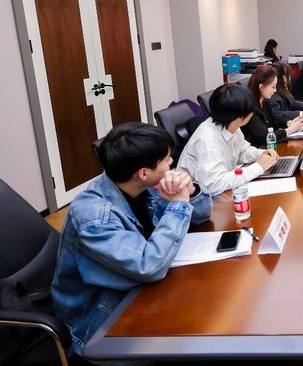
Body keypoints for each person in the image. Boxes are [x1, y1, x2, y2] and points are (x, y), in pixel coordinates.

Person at [51, 122, 212, 357]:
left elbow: (202, 215)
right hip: (102, 322)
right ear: (144, 173)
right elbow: (148, 265)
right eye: (167, 159)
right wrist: (178, 205)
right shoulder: (94, 216)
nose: (172, 162)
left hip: (141, 293)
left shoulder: (139, 184)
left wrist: (191, 190)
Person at [177, 84, 279, 196]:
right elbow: (214, 185)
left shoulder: (230, 124)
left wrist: (261, 154)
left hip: (223, 190)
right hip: (199, 199)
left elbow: (242, 151)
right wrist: (258, 167)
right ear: (239, 118)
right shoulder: (208, 141)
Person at [242, 65, 303, 148]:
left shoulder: (265, 102)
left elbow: (272, 124)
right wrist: (291, 129)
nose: (275, 90)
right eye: (273, 87)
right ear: (261, 87)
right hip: (257, 150)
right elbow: (265, 137)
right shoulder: (251, 108)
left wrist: (288, 123)